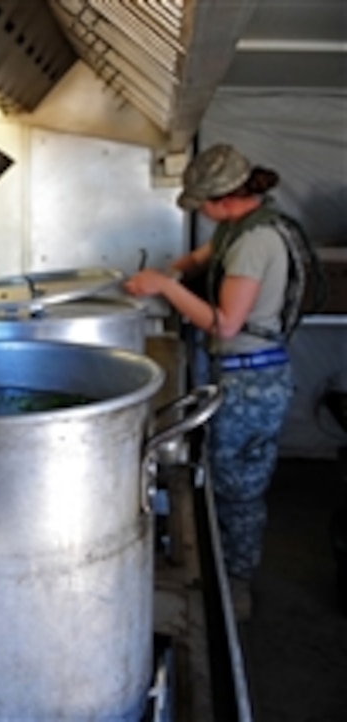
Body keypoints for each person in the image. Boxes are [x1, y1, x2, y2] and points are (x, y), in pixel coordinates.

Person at [125, 143, 298, 622]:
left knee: (238, 492)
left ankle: (237, 586)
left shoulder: (253, 244)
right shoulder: (242, 226)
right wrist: (167, 272)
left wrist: (164, 289)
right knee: (223, 482)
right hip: (242, 377)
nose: (200, 211)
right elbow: (200, 258)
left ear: (224, 198)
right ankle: (224, 573)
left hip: (252, 384)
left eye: (202, 202)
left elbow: (224, 324)